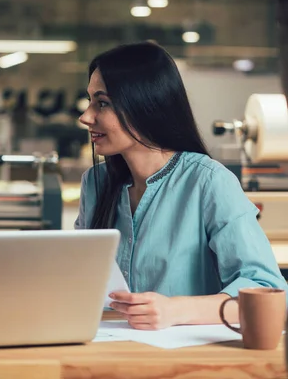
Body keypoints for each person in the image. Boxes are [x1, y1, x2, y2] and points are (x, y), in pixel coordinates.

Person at [75, 42, 288, 330]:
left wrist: (176, 310)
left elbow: (271, 291)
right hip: (108, 349)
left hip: (188, 361)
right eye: (90, 101)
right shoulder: (95, 183)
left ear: (143, 104)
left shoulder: (209, 181)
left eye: (102, 103)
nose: (86, 117)